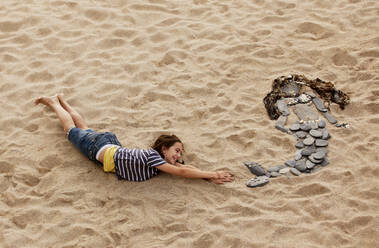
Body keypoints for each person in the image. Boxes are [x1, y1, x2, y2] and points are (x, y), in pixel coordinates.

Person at [34, 94, 234, 184]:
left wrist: (207, 176)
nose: (179, 155)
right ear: (163, 149)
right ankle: (53, 103)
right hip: (97, 148)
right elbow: (181, 171)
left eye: (180, 153)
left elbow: (184, 168)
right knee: (71, 130)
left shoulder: (158, 162)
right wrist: (215, 173)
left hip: (109, 144)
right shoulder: (153, 157)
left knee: (85, 128)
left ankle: (63, 99)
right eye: (176, 150)